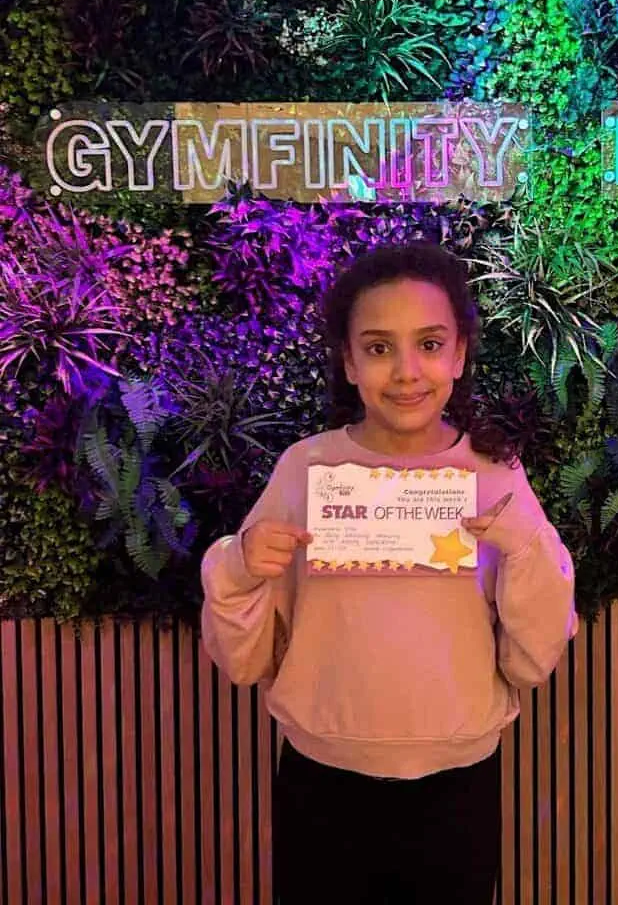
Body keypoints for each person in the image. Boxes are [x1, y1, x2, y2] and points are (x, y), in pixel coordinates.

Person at [200, 242, 578, 905]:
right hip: (321, 778)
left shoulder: (493, 475)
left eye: (428, 344)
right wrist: (237, 567)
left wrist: (523, 550)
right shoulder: (304, 468)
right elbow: (244, 658)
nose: (407, 372)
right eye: (378, 348)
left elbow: (532, 657)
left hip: (456, 780)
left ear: (459, 353)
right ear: (348, 362)